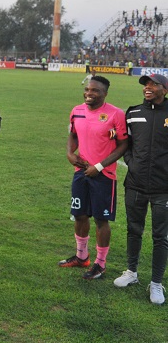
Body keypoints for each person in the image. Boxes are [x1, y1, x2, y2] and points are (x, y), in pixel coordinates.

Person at [59, 76, 128, 280]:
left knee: (101, 219)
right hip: (81, 173)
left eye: (95, 90)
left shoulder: (115, 114)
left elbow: (123, 144)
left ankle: (100, 263)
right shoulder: (77, 111)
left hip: (104, 175)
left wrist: (99, 166)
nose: (89, 93)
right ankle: (82, 257)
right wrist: (70, 154)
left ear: (105, 93)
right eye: (88, 89)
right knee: (79, 215)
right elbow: (73, 135)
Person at [113, 73, 168, 305]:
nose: (148, 87)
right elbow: (126, 143)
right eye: (146, 84)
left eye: (153, 84)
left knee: (161, 237)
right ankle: (132, 272)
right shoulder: (133, 112)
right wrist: (132, 162)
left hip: (163, 187)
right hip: (135, 184)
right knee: (133, 229)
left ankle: (156, 283)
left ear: (164, 90)